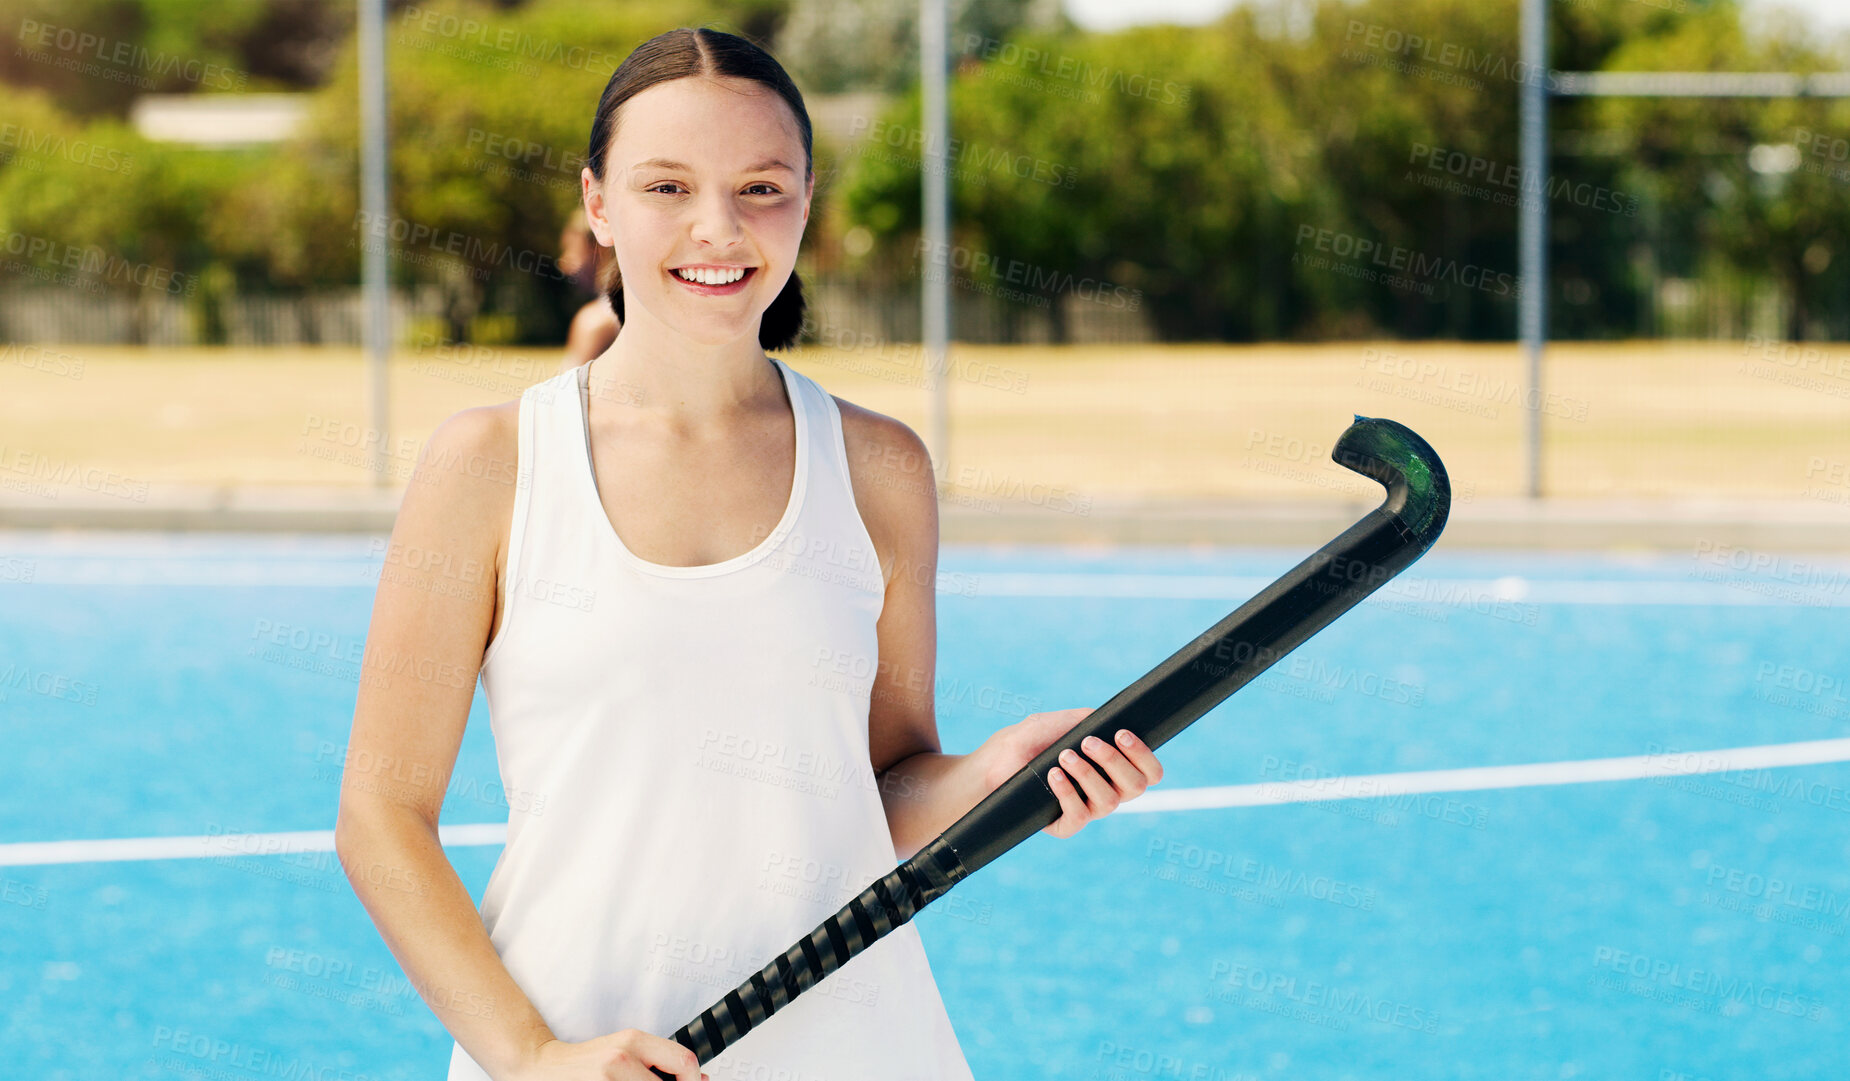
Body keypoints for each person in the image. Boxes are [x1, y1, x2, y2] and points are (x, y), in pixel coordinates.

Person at [333, 26, 1164, 1081]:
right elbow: (378, 814)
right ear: (597, 205)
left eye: (760, 188)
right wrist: (531, 1054)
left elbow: (882, 788)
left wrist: (995, 775)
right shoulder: (489, 463)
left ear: (807, 200)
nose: (716, 229)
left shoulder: (880, 470)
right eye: (666, 187)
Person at [557, 207, 621, 373]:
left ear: (598, 248)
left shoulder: (594, 321)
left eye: (572, 250)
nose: (563, 263)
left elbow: (567, 393)